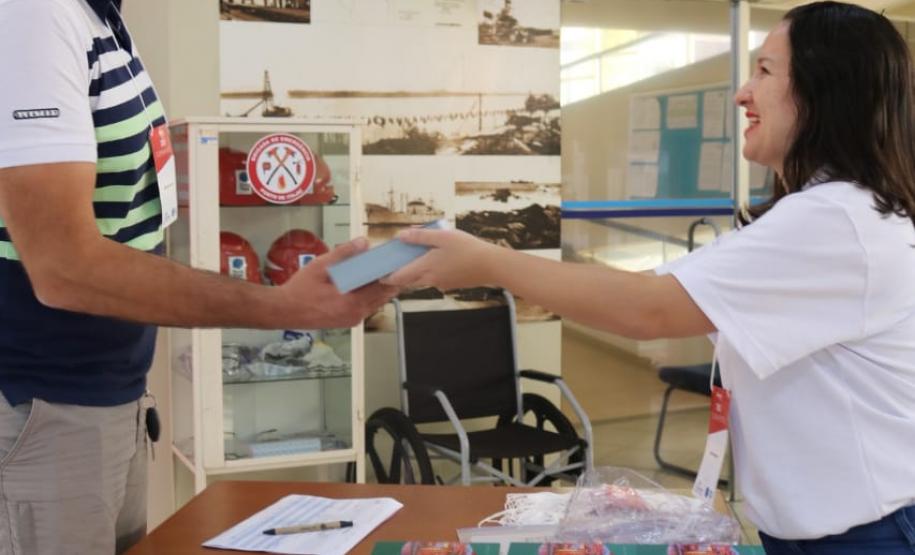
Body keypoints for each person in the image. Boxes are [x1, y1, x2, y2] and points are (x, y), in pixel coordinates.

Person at [386, 2, 915, 553]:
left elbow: (647, 309)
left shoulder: (836, 219)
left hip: (872, 535)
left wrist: (487, 263)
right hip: (819, 530)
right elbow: (653, 292)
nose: (742, 94)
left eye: (764, 71)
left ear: (826, 89)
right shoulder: (823, 214)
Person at [0, 0, 395, 553]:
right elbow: (64, 268)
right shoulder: (32, 15)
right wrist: (281, 305)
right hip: (42, 409)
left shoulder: (101, 18)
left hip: (112, 398)